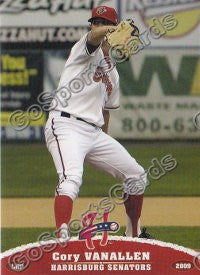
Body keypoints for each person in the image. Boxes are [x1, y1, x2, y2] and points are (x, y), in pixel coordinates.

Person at [45, 6, 151, 239]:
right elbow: (95, 37)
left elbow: (106, 112)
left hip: (94, 132)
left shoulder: (112, 73)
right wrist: (108, 29)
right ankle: (61, 237)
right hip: (66, 124)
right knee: (71, 179)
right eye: (95, 21)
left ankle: (134, 235)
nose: (97, 26)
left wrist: (102, 142)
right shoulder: (84, 49)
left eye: (103, 22)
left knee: (137, 175)